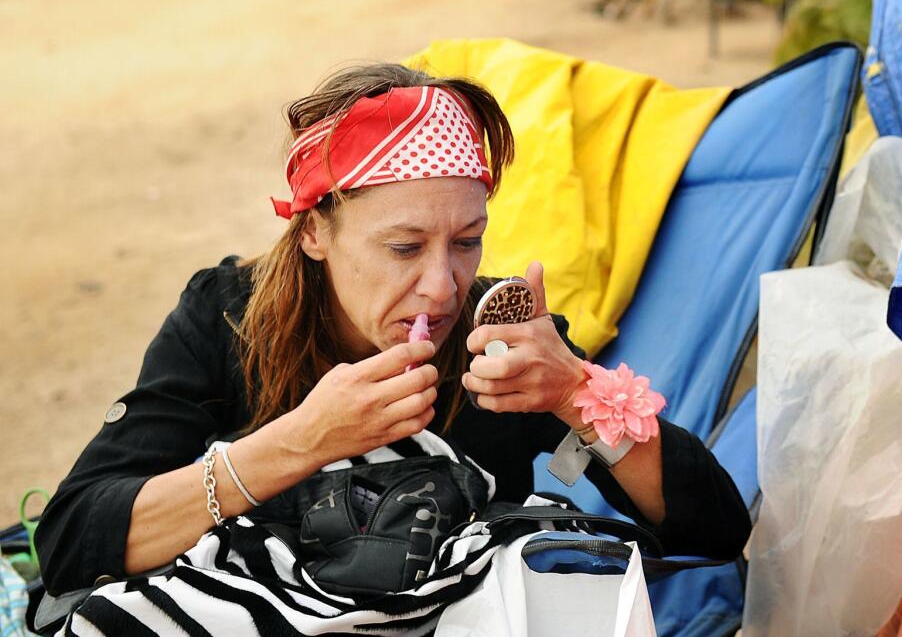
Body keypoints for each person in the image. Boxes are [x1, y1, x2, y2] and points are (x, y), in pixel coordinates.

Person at [34, 63, 752, 596]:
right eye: (404, 248)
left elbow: (715, 528)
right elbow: (72, 538)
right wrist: (297, 444)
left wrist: (574, 389)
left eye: (467, 240)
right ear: (314, 230)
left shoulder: (497, 343)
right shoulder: (227, 319)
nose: (443, 286)